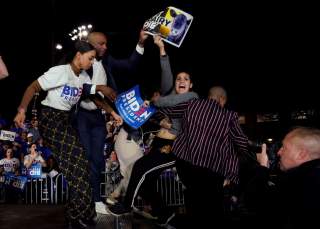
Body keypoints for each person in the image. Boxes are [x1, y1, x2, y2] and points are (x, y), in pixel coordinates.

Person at [13, 40, 121, 229]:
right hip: (51, 119)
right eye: (90, 58)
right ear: (78, 56)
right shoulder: (60, 72)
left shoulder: (83, 77)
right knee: (79, 158)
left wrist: (113, 113)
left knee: (80, 165)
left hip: (64, 120)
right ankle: (77, 215)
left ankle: (80, 213)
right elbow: (33, 87)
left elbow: (95, 97)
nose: (92, 62)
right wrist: (22, 110)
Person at [107, 35, 199, 226]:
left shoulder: (192, 97)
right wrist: (161, 49)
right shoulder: (171, 93)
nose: (181, 81)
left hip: (173, 147)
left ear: (191, 84)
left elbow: (169, 101)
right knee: (147, 181)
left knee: (139, 168)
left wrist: (157, 102)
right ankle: (164, 213)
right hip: (158, 144)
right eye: (178, 79)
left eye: (186, 79)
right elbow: (166, 77)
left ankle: (126, 204)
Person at [76, 29, 147, 214]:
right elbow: (80, 89)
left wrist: (140, 42)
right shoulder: (79, 61)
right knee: (88, 158)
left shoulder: (106, 60)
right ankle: (88, 201)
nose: (105, 47)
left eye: (106, 43)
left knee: (99, 160)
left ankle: (98, 201)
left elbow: (131, 65)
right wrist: (100, 87)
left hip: (99, 115)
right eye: (101, 44)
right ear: (90, 44)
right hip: (81, 114)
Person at [156, 86, 249, 227]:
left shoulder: (191, 104)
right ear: (222, 99)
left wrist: (159, 106)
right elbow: (241, 141)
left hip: (186, 166)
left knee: (193, 199)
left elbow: (169, 111)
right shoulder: (229, 116)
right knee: (212, 208)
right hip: (211, 171)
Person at [245, 126, 320, 229]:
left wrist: (262, 167)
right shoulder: (311, 177)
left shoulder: (296, 183)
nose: (279, 152)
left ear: (301, 154)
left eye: (284, 147)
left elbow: (254, 202)